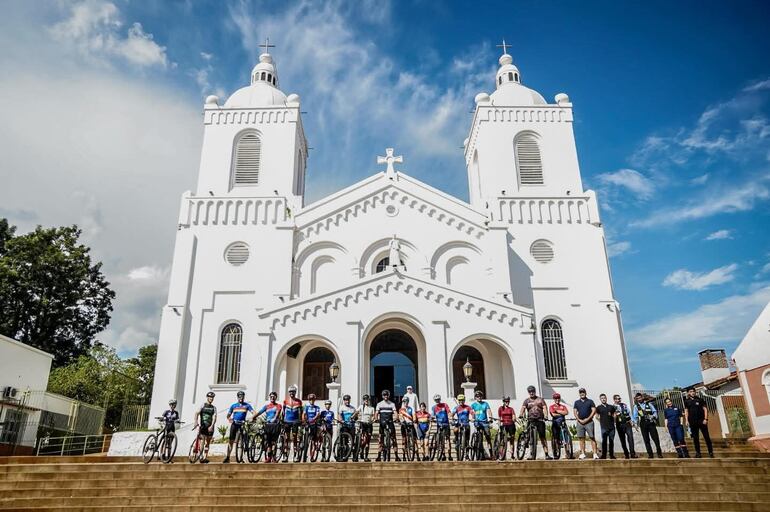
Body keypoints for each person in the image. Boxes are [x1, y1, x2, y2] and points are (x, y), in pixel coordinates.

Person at [520, 385, 551, 460]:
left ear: (535, 391)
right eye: (530, 391)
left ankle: (547, 454)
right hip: (531, 420)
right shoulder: (526, 400)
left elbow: (544, 408)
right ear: (528, 392)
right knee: (529, 437)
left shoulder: (540, 399)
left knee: (542, 437)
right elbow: (523, 408)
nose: (531, 393)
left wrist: (546, 415)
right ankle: (531, 453)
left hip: (540, 419)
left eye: (532, 391)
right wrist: (521, 414)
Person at [224, 391, 255, 463]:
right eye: (239, 396)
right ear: (237, 397)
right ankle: (227, 457)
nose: (241, 397)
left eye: (242, 396)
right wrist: (229, 419)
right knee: (231, 441)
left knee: (242, 442)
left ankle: (241, 458)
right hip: (234, 424)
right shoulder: (233, 406)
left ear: (244, 397)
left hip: (242, 424)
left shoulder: (247, 405)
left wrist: (252, 417)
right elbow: (228, 415)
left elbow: (254, 412)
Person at [684, 387, 714, 458]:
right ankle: (698, 453)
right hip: (693, 422)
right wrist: (687, 420)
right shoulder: (686, 401)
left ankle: (710, 452)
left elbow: (705, 409)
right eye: (691, 391)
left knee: (706, 437)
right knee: (695, 438)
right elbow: (686, 411)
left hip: (701, 421)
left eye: (693, 391)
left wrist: (706, 419)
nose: (692, 392)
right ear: (688, 393)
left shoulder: (700, 399)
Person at [632, 392, 663, 459]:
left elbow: (654, 411)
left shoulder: (649, 404)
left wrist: (653, 416)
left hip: (651, 422)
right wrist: (636, 424)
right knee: (646, 440)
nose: (639, 399)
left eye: (640, 398)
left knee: (656, 439)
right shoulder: (636, 406)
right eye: (637, 398)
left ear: (642, 397)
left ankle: (659, 453)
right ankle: (650, 454)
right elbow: (635, 416)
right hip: (643, 423)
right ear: (636, 399)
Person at [253, 391, 281, 463]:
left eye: (273, 396)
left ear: (276, 398)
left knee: (274, 442)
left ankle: (274, 457)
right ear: (269, 397)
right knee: (268, 443)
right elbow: (260, 412)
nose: (272, 398)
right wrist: (253, 417)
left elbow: (277, 413)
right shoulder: (266, 406)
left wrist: (274, 419)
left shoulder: (278, 405)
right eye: (271, 396)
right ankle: (269, 457)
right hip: (268, 425)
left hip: (275, 425)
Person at [573, 388, 599, 460]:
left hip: (589, 422)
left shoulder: (590, 401)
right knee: (581, 438)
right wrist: (579, 420)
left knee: (592, 437)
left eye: (583, 392)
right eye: (581, 392)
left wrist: (587, 419)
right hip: (580, 422)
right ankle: (582, 453)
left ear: (585, 393)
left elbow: (593, 410)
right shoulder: (576, 402)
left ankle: (595, 453)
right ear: (579, 394)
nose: (582, 394)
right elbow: (575, 412)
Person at [193, 391, 217, 463]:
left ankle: (205, 456)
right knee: (202, 440)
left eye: (212, 398)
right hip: (203, 426)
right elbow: (197, 413)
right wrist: (196, 421)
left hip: (210, 427)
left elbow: (214, 417)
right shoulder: (203, 405)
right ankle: (200, 456)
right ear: (207, 397)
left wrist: (212, 426)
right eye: (210, 397)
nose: (211, 399)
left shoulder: (214, 408)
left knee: (208, 442)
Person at [375, 390, 399, 461]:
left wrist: (397, 418)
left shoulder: (392, 404)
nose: (386, 396)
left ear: (388, 396)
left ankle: (396, 456)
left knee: (394, 439)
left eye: (387, 395)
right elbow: (376, 413)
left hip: (390, 422)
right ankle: (379, 456)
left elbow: (395, 412)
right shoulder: (379, 404)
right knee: (380, 439)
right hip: (382, 423)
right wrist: (376, 419)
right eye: (384, 395)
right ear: (382, 396)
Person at [281, 385, 303, 463]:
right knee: (286, 438)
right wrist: (282, 420)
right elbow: (283, 412)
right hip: (287, 421)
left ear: (295, 392)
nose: (292, 393)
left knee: (294, 437)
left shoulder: (299, 401)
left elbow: (300, 411)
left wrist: (300, 420)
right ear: (289, 392)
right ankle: (285, 455)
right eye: (290, 392)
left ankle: (295, 455)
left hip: (295, 422)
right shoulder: (285, 401)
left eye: (293, 392)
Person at [612, 395, 637, 459]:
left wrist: (633, 422)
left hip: (627, 423)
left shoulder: (624, 405)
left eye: (619, 398)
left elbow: (629, 413)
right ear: (614, 400)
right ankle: (626, 454)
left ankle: (632, 453)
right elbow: (612, 417)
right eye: (617, 399)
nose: (619, 400)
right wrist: (615, 415)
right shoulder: (612, 407)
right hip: (619, 425)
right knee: (623, 440)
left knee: (630, 438)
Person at [470, 391, 493, 460]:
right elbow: (472, 412)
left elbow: (489, 411)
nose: (479, 397)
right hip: (477, 422)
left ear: (482, 397)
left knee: (488, 438)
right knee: (479, 438)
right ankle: (480, 453)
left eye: (480, 396)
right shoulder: (473, 405)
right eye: (477, 396)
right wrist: (472, 418)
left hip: (485, 422)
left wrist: (490, 418)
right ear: (475, 397)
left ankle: (491, 454)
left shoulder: (485, 404)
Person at [595, 393, 617, 459]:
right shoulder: (598, 407)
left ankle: (611, 455)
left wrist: (614, 421)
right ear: (600, 399)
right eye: (602, 398)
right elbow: (597, 416)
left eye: (604, 398)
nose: (603, 399)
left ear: (606, 398)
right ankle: (603, 455)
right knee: (604, 442)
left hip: (611, 427)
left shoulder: (611, 407)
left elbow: (614, 414)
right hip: (604, 427)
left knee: (611, 441)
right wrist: (601, 421)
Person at [432, 394, 453, 461]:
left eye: (438, 399)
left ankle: (449, 455)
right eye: (436, 400)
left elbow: (449, 412)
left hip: (446, 424)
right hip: (439, 425)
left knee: (447, 439)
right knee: (441, 441)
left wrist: (450, 416)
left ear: (440, 399)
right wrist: (432, 418)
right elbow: (433, 415)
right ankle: (443, 454)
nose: (437, 401)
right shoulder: (434, 407)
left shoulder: (445, 405)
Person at [452, 394, 474, 460]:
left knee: (467, 441)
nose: (461, 401)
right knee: (455, 430)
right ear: (458, 401)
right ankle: (456, 438)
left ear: (464, 400)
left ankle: (467, 455)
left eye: (462, 400)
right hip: (459, 423)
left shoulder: (468, 407)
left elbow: (472, 413)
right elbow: (452, 414)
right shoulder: (456, 407)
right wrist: (452, 417)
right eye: (460, 400)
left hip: (466, 424)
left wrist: (473, 418)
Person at [549, 393, 570, 458]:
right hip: (555, 423)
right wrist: (561, 413)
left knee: (566, 438)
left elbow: (566, 412)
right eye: (556, 398)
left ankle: (568, 452)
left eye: (558, 398)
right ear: (554, 399)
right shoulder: (551, 406)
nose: (557, 399)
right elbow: (553, 414)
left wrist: (557, 411)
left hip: (563, 423)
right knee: (556, 438)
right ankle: (556, 451)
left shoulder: (563, 406)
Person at [356, 394, 375, 462]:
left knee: (368, 441)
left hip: (369, 425)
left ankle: (366, 456)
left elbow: (373, 416)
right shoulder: (361, 406)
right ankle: (361, 450)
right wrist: (352, 417)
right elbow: (356, 412)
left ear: (369, 400)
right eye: (365, 399)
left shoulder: (372, 408)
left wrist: (373, 420)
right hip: (363, 424)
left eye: (367, 399)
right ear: (363, 400)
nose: (366, 400)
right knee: (364, 440)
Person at [303, 393, 321, 461]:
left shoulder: (317, 407)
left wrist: (314, 419)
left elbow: (318, 414)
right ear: (308, 400)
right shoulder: (306, 407)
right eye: (310, 399)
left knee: (313, 441)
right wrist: (305, 420)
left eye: (313, 399)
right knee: (306, 439)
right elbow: (304, 414)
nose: (311, 401)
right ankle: (304, 452)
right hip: (308, 424)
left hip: (314, 424)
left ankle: (312, 456)